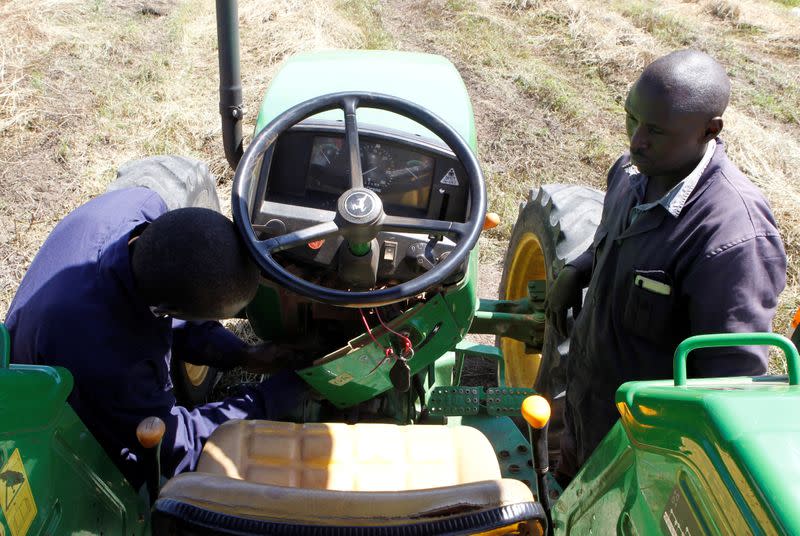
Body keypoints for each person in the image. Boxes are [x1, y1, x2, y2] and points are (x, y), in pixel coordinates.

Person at [545, 49, 787, 482]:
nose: (635, 140)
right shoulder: (631, 174)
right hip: (586, 416)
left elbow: (725, 384)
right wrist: (580, 267)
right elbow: (614, 241)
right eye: (631, 119)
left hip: (636, 457)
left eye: (655, 130)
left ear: (709, 131)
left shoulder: (731, 239)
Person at [5, 187, 306, 490]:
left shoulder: (139, 205)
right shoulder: (111, 363)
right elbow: (178, 446)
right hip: (43, 402)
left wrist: (243, 354)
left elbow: (172, 311)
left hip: (64, 320)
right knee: (158, 482)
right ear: (164, 310)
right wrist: (270, 397)